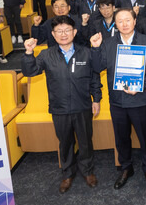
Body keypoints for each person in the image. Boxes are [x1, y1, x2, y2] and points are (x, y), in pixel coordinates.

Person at [22, 15, 102, 194]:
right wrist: (28, 53)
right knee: (65, 143)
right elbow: (30, 71)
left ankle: (88, 171)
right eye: (59, 31)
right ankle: (67, 174)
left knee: (85, 142)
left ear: (74, 32)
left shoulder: (86, 52)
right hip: (59, 108)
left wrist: (96, 99)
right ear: (53, 34)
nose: (63, 34)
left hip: (83, 106)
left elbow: (94, 78)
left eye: (67, 30)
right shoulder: (46, 54)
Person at [90, 8, 146, 190]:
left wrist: (141, 85)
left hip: (140, 99)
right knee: (121, 138)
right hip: (117, 100)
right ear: (115, 23)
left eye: (127, 20)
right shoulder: (107, 43)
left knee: (145, 137)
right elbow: (98, 67)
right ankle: (126, 168)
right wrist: (96, 48)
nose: (124, 24)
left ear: (135, 21)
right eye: (119, 21)